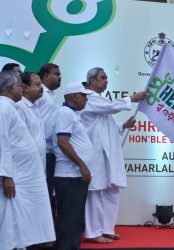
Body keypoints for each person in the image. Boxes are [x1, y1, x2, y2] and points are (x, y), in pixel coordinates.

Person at [81, 67, 146, 243]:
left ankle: (107, 229)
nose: (106, 81)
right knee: (96, 192)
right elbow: (110, 108)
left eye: (107, 78)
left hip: (109, 154)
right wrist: (132, 98)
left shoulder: (101, 100)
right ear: (91, 80)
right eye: (102, 78)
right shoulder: (87, 98)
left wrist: (122, 126)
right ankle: (93, 232)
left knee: (112, 191)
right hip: (95, 155)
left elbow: (105, 124)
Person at [0, 70, 55, 250]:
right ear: (10, 88)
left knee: (24, 219)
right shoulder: (4, 107)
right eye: (20, 86)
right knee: (11, 218)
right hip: (16, 176)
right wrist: (6, 176)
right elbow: (3, 144)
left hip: (27, 174)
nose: (23, 89)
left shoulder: (11, 106)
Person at [53, 82, 93, 250]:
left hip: (75, 176)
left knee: (75, 221)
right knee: (70, 221)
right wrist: (82, 165)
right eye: (83, 96)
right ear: (73, 96)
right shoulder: (65, 113)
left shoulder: (73, 114)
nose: (86, 99)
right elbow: (63, 142)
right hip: (69, 176)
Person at [36, 63, 62, 215]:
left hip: (52, 151)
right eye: (56, 74)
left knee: (50, 192)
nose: (60, 77)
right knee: (45, 191)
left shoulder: (51, 95)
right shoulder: (41, 95)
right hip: (43, 151)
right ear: (46, 76)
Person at [17, 72, 46, 170]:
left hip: (38, 166)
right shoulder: (19, 107)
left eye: (41, 84)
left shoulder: (35, 107)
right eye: (38, 84)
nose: (42, 87)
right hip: (25, 168)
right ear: (25, 88)